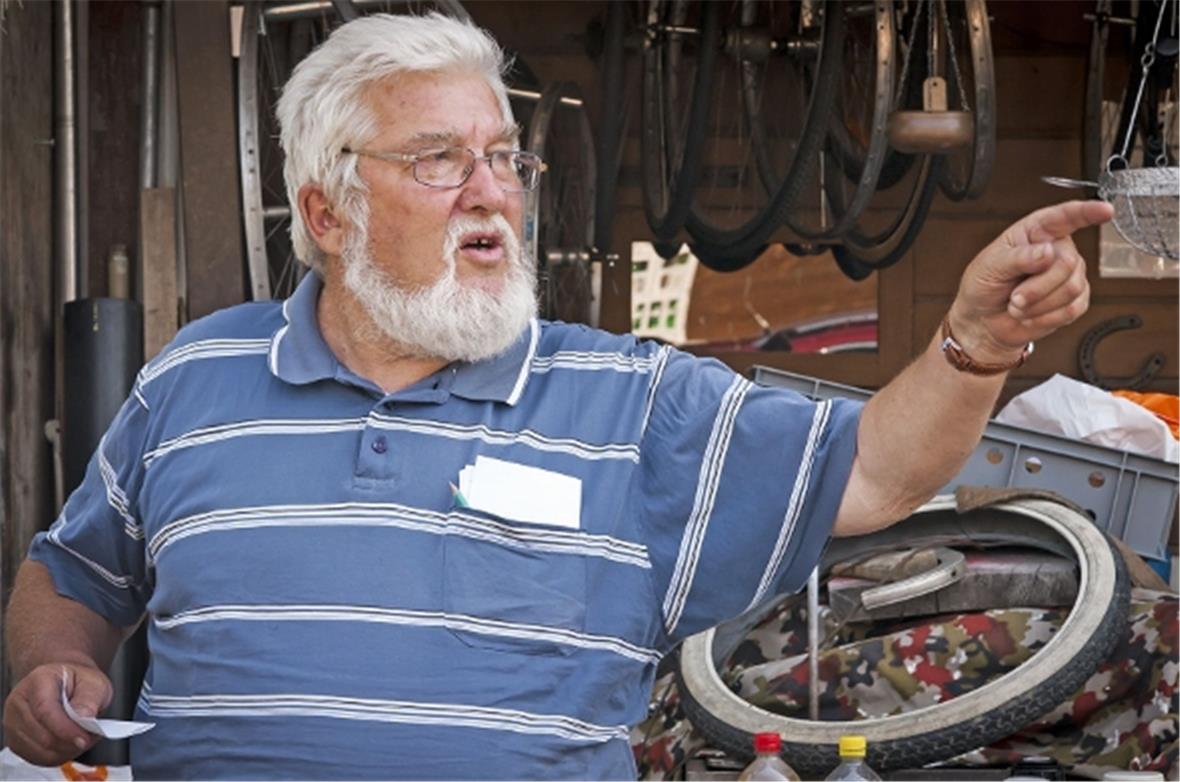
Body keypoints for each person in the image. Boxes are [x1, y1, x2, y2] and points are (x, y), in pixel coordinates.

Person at [3, 11, 1111, 781]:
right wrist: (54, 659)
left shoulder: (630, 397)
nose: (491, 192)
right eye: (439, 160)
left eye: (501, 157)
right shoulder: (197, 374)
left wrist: (972, 343)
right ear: (329, 211)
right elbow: (74, 568)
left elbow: (875, 468)